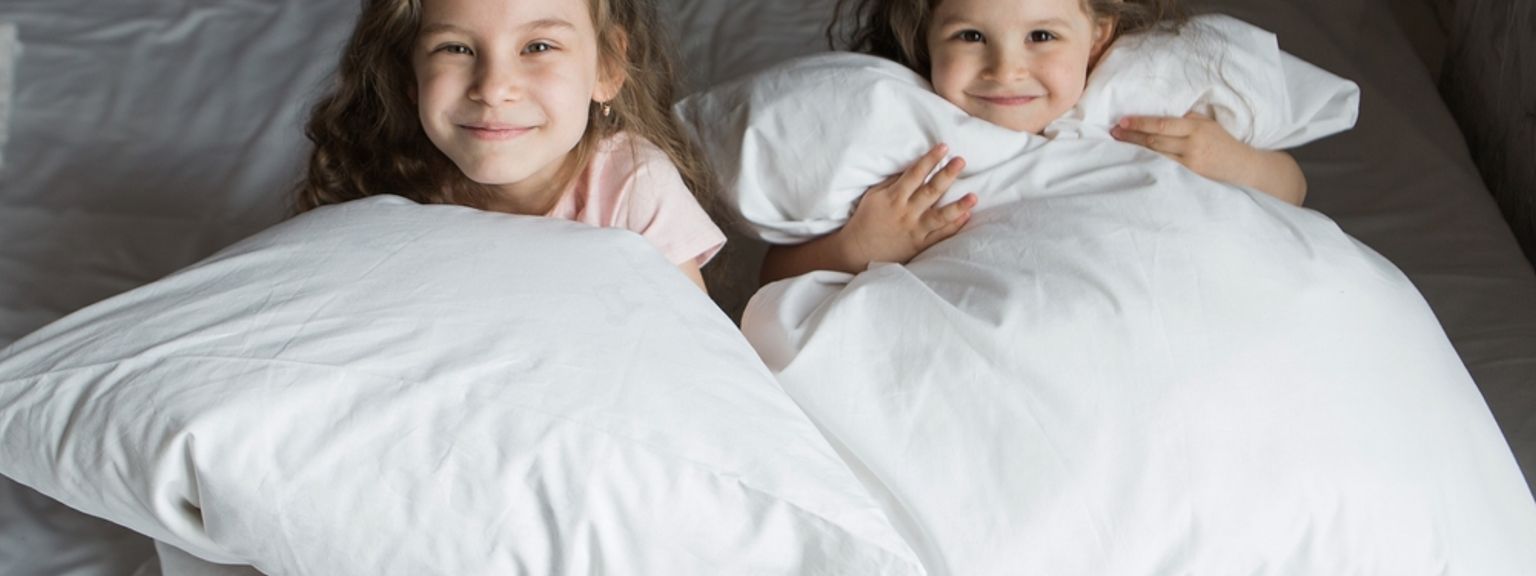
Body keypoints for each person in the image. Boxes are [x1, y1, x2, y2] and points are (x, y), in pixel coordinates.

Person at [760, 0, 1308, 284]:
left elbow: (1294, 192)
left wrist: (1233, 161)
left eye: (1041, 36)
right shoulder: (907, 136)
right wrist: (859, 246)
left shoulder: (1142, 110)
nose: (1006, 70)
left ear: (1099, 33)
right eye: (970, 36)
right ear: (925, 36)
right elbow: (773, 276)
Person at [293, 0, 725, 292]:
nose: (494, 88)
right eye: (455, 48)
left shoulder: (631, 185)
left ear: (607, 67)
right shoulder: (393, 188)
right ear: (412, 75)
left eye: (538, 47)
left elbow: (695, 355)